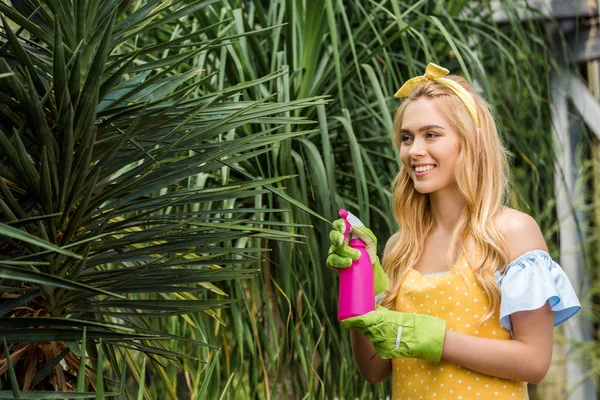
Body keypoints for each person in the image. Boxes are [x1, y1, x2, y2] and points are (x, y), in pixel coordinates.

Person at [326, 63, 581, 399]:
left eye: (431, 134)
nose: (414, 150)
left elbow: (534, 362)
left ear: (471, 141)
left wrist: (436, 338)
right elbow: (374, 370)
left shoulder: (511, 232)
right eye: (406, 137)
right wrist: (358, 280)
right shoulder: (399, 247)